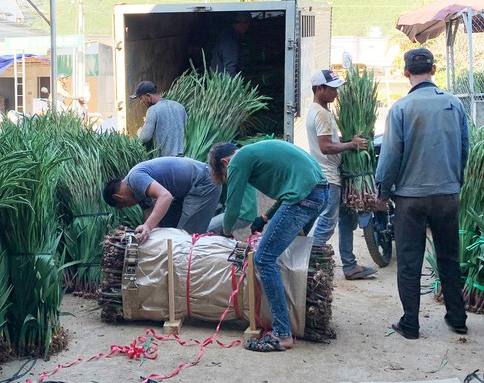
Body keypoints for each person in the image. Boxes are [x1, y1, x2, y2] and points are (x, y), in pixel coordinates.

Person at [375, 48, 469, 339]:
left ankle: (411, 324)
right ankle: (458, 318)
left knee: (409, 260)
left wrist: (383, 189)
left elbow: (390, 156)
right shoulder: (454, 104)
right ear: (434, 69)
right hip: (447, 195)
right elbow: (464, 148)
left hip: (411, 199)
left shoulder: (402, 108)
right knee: (449, 257)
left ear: (406, 73)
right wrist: (455, 181)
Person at [208, 140, 328, 352]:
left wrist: (227, 233)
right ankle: (300, 315)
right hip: (320, 191)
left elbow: (232, 208)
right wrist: (264, 218)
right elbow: (289, 190)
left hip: (304, 196)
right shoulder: (256, 152)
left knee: (264, 258)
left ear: (225, 162)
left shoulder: (237, 161)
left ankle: (282, 335)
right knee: (290, 252)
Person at [306, 69, 377, 280]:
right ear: (320, 89)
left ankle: (350, 265)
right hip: (328, 177)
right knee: (327, 224)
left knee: (347, 220)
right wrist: (352, 144)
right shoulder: (322, 114)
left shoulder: (316, 110)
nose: (336, 93)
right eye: (332, 89)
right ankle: (310, 268)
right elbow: (326, 147)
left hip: (332, 174)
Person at [102, 156, 221, 243]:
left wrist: (147, 226)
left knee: (185, 239)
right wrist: (149, 237)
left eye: (124, 205)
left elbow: (165, 196)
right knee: (167, 227)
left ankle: (228, 222)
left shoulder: (134, 179)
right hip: (187, 191)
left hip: (203, 182)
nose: (129, 206)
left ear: (118, 197)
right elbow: (150, 214)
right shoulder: (137, 192)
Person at [131, 81, 187, 157]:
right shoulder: (180, 107)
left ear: (148, 96)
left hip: (164, 162)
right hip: (182, 159)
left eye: (141, 98)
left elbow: (144, 137)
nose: (141, 102)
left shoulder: (153, 110)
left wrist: (139, 132)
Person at [210, 12, 251, 76]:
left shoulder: (229, 34)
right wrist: (235, 84)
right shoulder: (230, 39)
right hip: (224, 81)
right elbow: (230, 66)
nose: (247, 27)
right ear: (241, 24)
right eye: (246, 23)